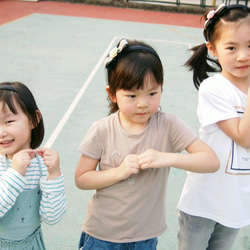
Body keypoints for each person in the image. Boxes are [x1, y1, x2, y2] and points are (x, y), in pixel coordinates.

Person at [75, 38, 219, 250]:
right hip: (102, 236)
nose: (143, 103)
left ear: (161, 88)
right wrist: (120, 171)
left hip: (145, 238)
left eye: (152, 93)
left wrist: (167, 157)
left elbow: (211, 161)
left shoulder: (169, 125)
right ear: (112, 94)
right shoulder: (102, 129)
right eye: (132, 95)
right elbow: (82, 178)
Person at [177, 3, 250, 250]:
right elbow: (243, 136)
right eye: (232, 47)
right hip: (204, 201)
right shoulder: (214, 88)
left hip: (238, 203)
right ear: (213, 49)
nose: (243, 55)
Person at [0, 82, 66, 249]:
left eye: (8, 121)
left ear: (33, 119)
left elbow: (52, 217)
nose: (1, 132)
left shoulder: (43, 165)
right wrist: (15, 173)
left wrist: (54, 176)